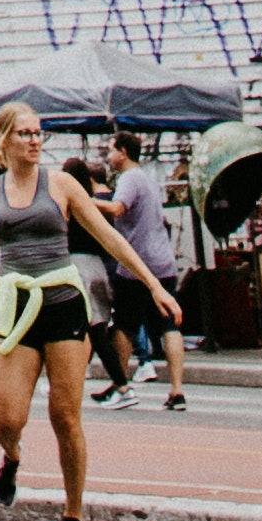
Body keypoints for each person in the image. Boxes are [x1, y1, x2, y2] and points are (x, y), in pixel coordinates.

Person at [0, 97, 181, 521]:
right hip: (15, 310)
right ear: (4, 139)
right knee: (6, 419)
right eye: (25, 133)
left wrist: (154, 285)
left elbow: (108, 236)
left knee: (65, 417)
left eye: (39, 133)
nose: (34, 141)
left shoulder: (64, 185)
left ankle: (73, 517)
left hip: (64, 304)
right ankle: (11, 458)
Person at [95, 135, 190, 412]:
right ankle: (177, 390)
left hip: (137, 264)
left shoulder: (128, 178)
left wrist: (86, 200)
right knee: (169, 326)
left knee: (124, 324)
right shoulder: (146, 177)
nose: (108, 157)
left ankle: (120, 383)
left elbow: (117, 207)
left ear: (123, 152)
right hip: (163, 261)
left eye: (110, 151)